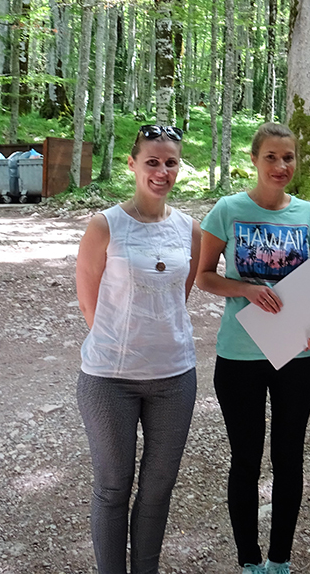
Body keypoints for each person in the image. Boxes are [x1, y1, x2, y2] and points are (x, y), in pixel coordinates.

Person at [196, 122, 310, 574]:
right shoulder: (228, 210)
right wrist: (247, 290)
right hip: (240, 355)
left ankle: (280, 560)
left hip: (298, 356)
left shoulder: (308, 216)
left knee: (289, 458)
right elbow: (204, 277)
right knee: (246, 460)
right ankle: (250, 561)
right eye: (271, 157)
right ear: (253, 160)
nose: (280, 166)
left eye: (288, 157)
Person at [75, 124, 201, 574]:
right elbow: (89, 304)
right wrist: (122, 347)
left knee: (158, 489)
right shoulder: (105, 225)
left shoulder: (190, 229)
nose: (161, 171)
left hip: (174, 377)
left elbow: (178, 296)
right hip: (110, 379)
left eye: (170, 163)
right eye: (152, 162)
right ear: (132, 165)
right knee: (113, 487)